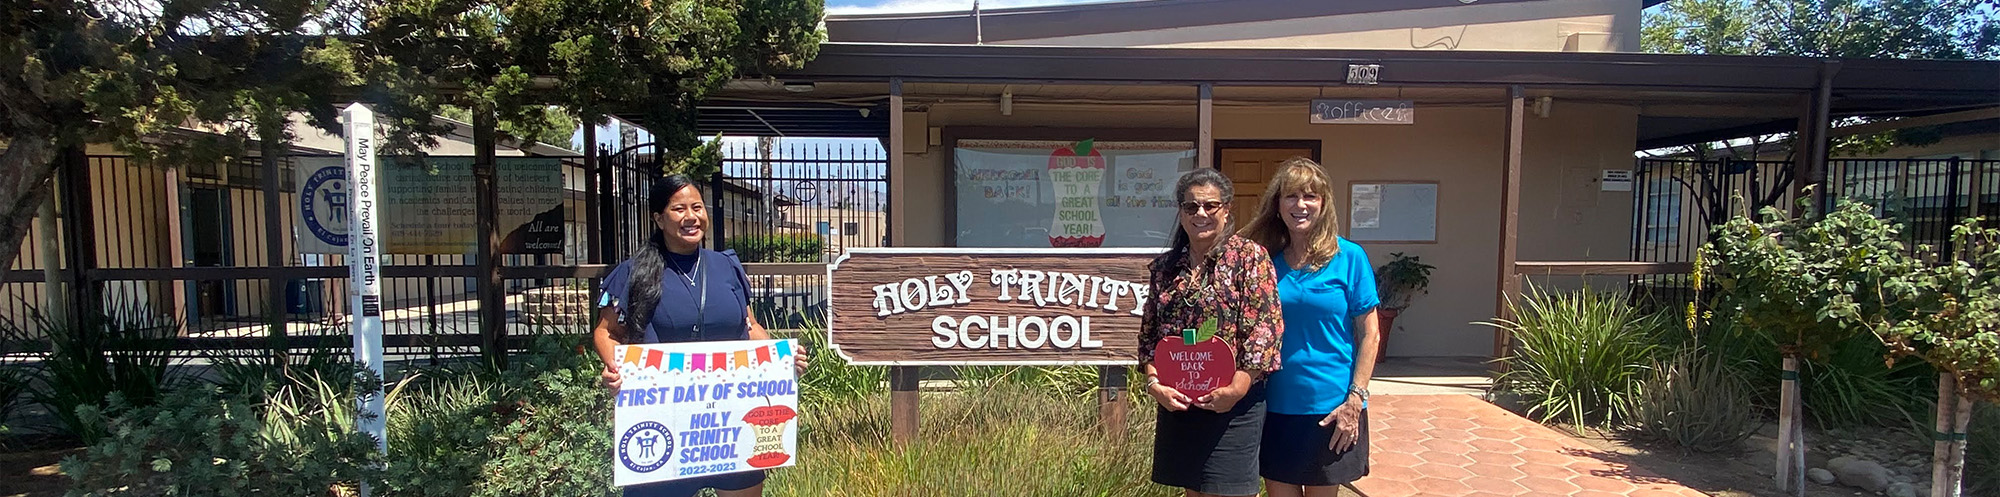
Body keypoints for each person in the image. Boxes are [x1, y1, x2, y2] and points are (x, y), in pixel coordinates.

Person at [592, 173, 808, 497]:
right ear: (659, 218)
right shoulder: (634, 271)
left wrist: (779, 359)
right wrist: (617, 369)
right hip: (663, 425)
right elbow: (606, 332)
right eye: (679, 209)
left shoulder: (726, 266)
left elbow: (749, 327)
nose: (691, 217)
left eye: (697, 207)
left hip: (732, 425)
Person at [1139, 167, 1285, 497]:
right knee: (1194, 491)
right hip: (1181, 404)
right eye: (1191, 206)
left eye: (1210, 205)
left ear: (1226, 209)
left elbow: (1265, 328)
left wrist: (1237, 388)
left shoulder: (1249, 258)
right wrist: (1154, 384)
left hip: (1234, 405)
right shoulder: (1165, 268)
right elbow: (1150, 335)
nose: (1200, 213)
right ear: (1181, 211)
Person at [1239, 157, 1381, 497]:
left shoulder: (1349, 257)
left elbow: (1371, 334)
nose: (1300, 205)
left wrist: (1355, 400)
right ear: (1278, 204)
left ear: (1323, 203)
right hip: (1274, 406)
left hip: (1331, 408)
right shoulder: (1264, 261)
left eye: (1310, 196)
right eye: (1291, 196)